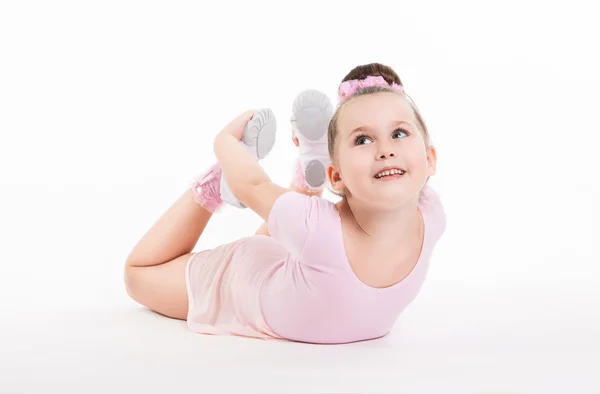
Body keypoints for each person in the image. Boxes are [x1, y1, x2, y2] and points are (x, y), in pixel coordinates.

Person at [124, 63, 446, 344]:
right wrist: (223, 143)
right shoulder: (319, 230)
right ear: (336, 178)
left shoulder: (431, 215)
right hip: (242, 283)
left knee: (297, 223)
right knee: (137, 275)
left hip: (297, 264)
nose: (385, 150)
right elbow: (252, 184)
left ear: (429, 160)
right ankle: (215, 186)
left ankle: (307, 170)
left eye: (400, 133)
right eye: (363, 139)